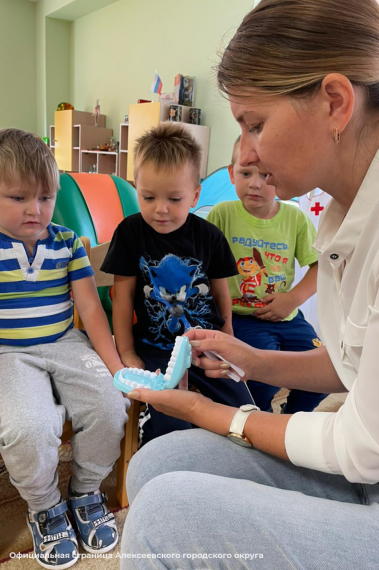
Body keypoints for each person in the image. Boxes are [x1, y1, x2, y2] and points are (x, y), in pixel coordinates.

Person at [120, 0, 379, 567]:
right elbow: (353, 364)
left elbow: (362, 447)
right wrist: (248, 359)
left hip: (369, 468)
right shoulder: (340, 218)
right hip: (366, 468)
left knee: (167, 514)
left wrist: (217, 415)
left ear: (335, 103)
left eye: (255, 125)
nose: (248, 154)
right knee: (152, 467)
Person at [0, 129, 128, 568]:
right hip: (7, 353)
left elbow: (91, 310)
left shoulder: (68, 241)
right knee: (27, 427)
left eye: (45, 198)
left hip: (64, 341)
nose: (35, 210)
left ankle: (85, 490)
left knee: (111, 405)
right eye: (17, 198)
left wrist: (116, 369)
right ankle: (44, 505)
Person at [101, 122, 254, 446]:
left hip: (206, 346)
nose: (161, 209)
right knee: (166, 426)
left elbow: (219, 289)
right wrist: (126, 351)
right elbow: (123, 296)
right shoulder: (130, 232)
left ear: (195, 194)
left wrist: (227, 337)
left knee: (244, 416)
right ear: (136, 186)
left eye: (174, 198)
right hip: (154, 350)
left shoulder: (209, 236)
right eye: (148, 197)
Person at [207, 135, 327, 413]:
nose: (255, 183)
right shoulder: (222, 213)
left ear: (280, 176)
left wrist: (293, 299)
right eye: (246, 173)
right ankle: (259, 422)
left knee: (322, 372)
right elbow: (206, 268)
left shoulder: (295, 218)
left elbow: (321, 266)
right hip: (240, 317)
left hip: (288, 317)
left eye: (265, 174)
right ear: (231, 173)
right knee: (261, 378)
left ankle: (291, 418)